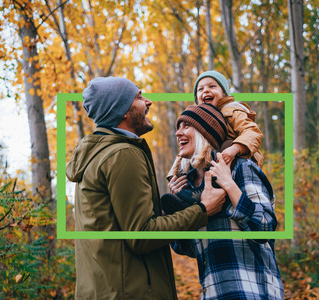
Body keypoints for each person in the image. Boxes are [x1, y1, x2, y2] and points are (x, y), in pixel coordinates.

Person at [66, 77, 227, 300]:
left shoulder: (97, 155)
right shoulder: (122, 154)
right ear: (122, 110)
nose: (148, 102)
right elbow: (141, 235)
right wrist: (203, 210)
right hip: (131, 292)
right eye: (140, 97)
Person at [168, 103, 284, 300]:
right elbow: (189, 249)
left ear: (206, 132)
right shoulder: (188, 186)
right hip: (215, 293)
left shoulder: (241, 168)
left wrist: (229, 185)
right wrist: (175, 210)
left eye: (186, 126)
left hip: (253, 292)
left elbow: (265, 227)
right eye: (178, 127)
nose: (178, 133)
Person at [167, 70, 264, 187]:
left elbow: (251, 131)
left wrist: (235, 148)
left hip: (238, 158)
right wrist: (174, 175)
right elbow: (186, 149)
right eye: (200, 89)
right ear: (197, 99)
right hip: (212, 163)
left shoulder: (232, 111)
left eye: (212, 86)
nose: (206, 90)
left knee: (226, 145)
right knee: (190, 162)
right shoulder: (200, 119)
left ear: (224, 93)